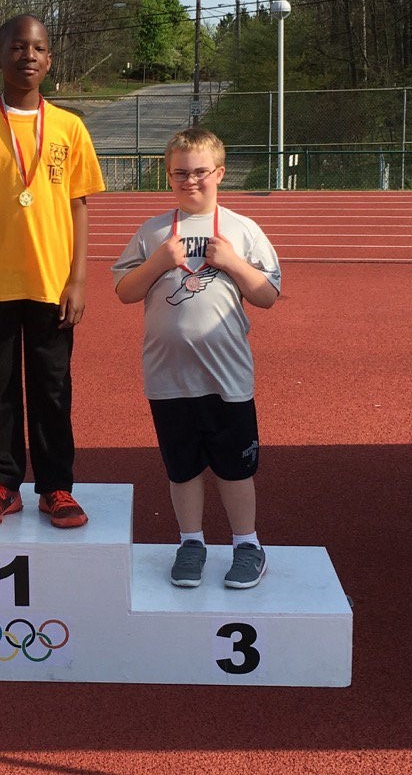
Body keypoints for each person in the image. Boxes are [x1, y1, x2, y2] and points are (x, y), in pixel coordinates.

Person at [0, 14, 105, 529]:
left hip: (51, 285)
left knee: (53, 389)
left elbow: (78, 206)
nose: (28, 56)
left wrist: (77, 280)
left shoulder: (69, 127)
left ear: (49, 60)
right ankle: (2, 483)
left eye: (38, 48)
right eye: (17, 47)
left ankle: (56, 486)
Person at [112, 128, 280, 589]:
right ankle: (191, 542)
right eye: (180, 173)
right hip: (168, 377)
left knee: (235, 467)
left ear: (220, 173)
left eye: (200, 172)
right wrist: (158, 262)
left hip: (227, 376)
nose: (191, 181)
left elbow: (267, 295)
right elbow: (125, 291)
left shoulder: (244, 231)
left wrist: (232, 262)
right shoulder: (152, 233)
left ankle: (248, 544)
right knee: (181, 466)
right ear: (168, 177)